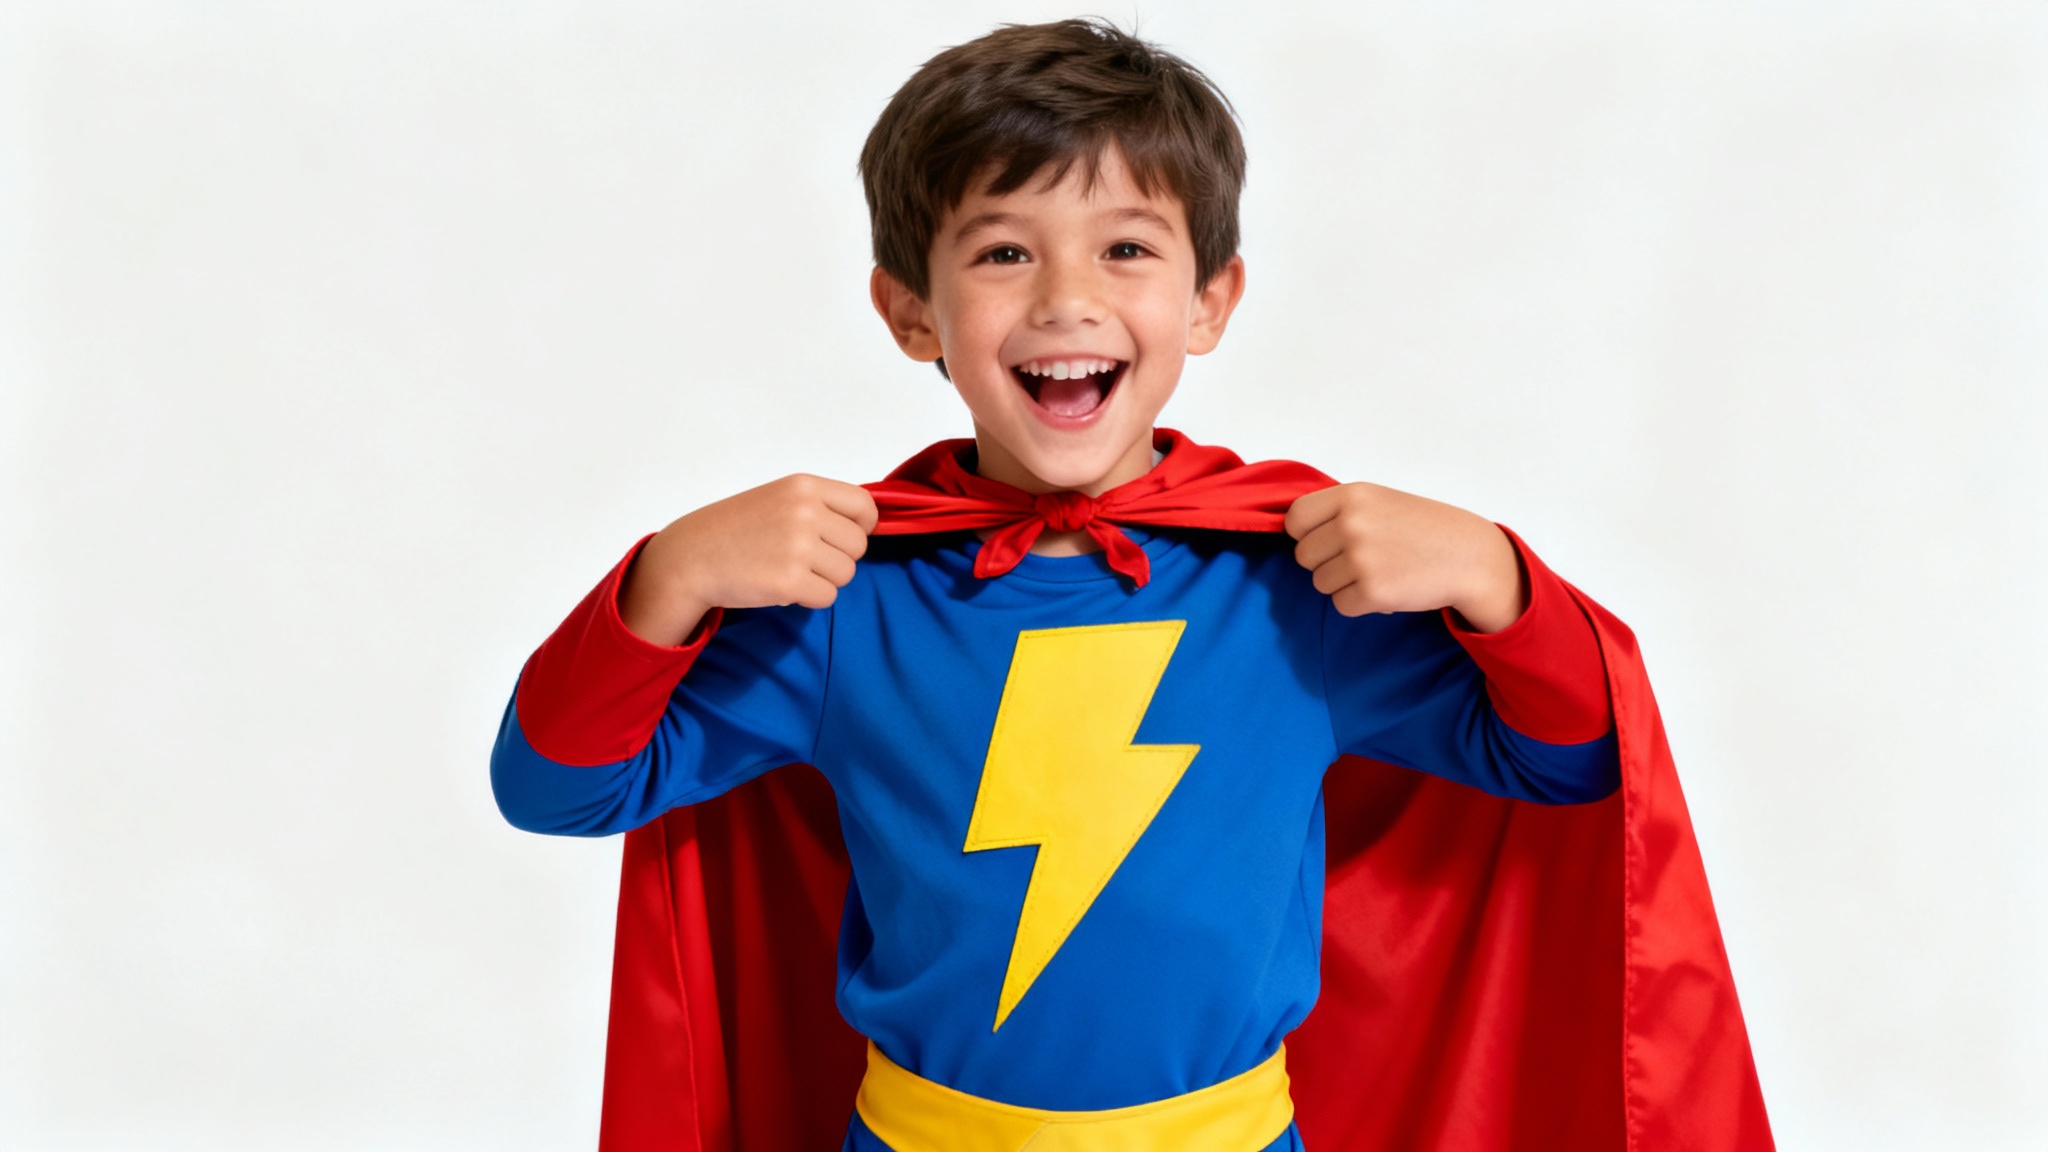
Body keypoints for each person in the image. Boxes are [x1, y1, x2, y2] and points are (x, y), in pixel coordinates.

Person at [491, 19, 1769, 1152]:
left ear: (1209, 301)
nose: (1064, 300)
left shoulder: (1291, 589)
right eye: (1000, 252)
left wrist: (1500, 580)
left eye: (1124, 250)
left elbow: (1577, 764)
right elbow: (558, 785)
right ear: (908, 312)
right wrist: (663, 583)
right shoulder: (850, 601)